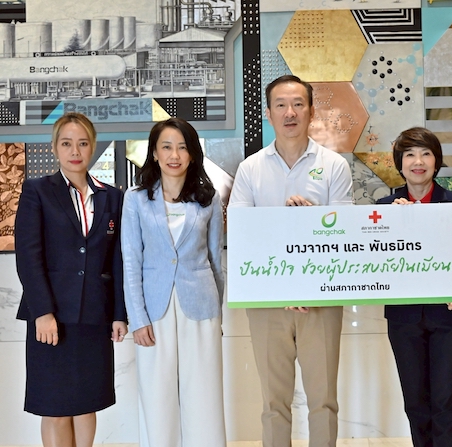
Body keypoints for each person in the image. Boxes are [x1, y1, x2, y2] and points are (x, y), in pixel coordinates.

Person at [228, 74, 353, 447]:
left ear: (312, 111)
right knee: (273, 403)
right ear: (268, 114)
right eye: (281, 105)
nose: (290, 112)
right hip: (268, 300)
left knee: (323, 401)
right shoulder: (251, 168)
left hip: (321, 300)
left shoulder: (334, 165)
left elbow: (343, 232)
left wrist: (314, 218)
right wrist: (284, 285)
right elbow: (242, 232)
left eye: (298, 104)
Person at [15, 112, 127, 447]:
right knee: (55, 408)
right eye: (66, 143)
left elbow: (118, 260)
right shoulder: (37, 191)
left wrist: (119, 314)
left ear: (92, 147)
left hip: (94, 315)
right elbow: (28, 257)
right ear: (55, 148)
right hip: (52, 318)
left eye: (82, 143)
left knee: (86, 404)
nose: (74, 151)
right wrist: (42, 312)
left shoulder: (112, 197)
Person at [121, 117, 226, 446]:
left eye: (182, 147)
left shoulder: (209, 199)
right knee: (157, 396)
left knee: (204, 395)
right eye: (166, 147)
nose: (174, 155)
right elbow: (131, 261)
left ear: (193, 154)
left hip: (201, 307)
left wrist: (218, 313)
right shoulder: (136, 198)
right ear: (154, 153)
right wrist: (137, 319)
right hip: (154, 311)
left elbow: (216, 261)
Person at [376, 127, 452, 447]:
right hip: (404, 319)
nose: (418, 162)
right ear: (399, 163)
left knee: (449, 401)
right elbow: (375, 264)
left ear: (436, 161)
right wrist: (393, 225)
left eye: (426, 154)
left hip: (451, 318)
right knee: (416, 403)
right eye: (409, 155)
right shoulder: (383, 209)